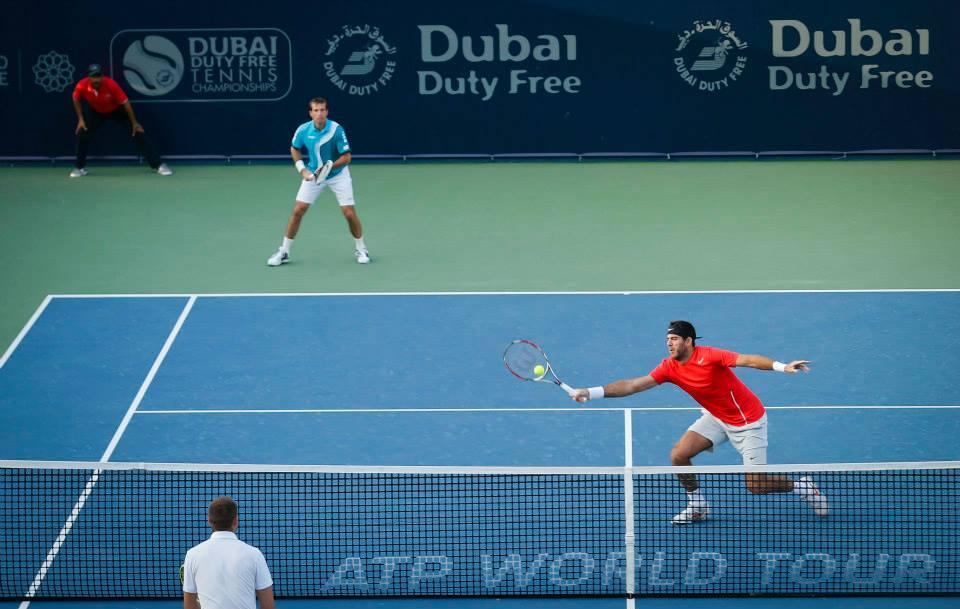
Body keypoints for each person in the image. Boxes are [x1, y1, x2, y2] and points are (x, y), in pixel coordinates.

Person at [572, 320, 828, 525]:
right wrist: (591, 391)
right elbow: (632, 385)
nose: (669, 344)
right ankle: (697, 505)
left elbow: (748, 360)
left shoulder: (711, 356)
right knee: (679, 455)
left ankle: (802, 486)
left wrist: (783, 367)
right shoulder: (669, 367)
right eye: (667, 340)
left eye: (674, 339)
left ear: (688, 341)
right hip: (716, 417)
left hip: (749, 421)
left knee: (756, 485)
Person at [267, 97, 370, 266]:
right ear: (311, 113)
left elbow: (347, 157)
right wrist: (302, 169)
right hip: (314, 175)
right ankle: (284, 251)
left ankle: (361, 248)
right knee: (298, 210)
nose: (319, 114)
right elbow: (294, 148)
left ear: (327, 112)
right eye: (316, 110)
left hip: (338, 174)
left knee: (349, 213)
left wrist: (329, 168)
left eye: (322, 110)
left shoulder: (336, 129)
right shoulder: (303, 130)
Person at [70, 63, 172, 177]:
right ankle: (79, 168)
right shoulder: (82, 85)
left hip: (115, 109)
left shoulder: (111, 85)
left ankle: (159, 165)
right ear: (89, 77)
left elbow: (126, 104)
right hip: (95, 111)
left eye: (98, 76)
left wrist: (134, 123)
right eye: (93, 77)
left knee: (137, 132)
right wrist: (80, 119)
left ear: (102, 76)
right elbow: (75, 99)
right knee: (82, 133)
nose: (96, 79)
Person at [182, 496, 276, 609]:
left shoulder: (192, 555)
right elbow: (268, 606)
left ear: (209, 520)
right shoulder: (255, 555)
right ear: (235, 520)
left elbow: (189, 606)